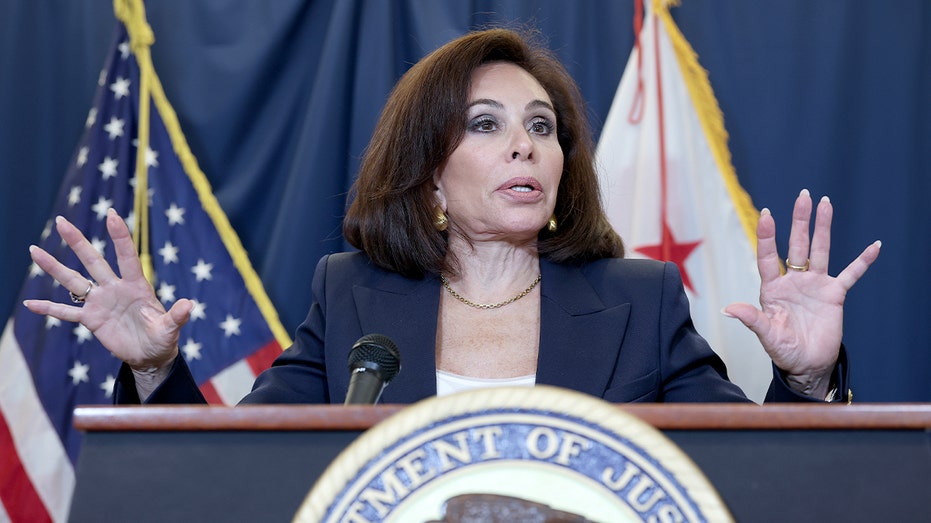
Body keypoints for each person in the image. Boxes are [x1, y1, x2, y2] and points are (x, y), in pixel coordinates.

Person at [24, 28, 880, 405]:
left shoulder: (641, 298)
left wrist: (807, 380)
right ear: (429, 176)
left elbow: (743, 479)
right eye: (485, 125)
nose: (525, 146)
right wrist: (155, 366)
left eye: (541, 127)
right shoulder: (352, 296)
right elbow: (246, 474)